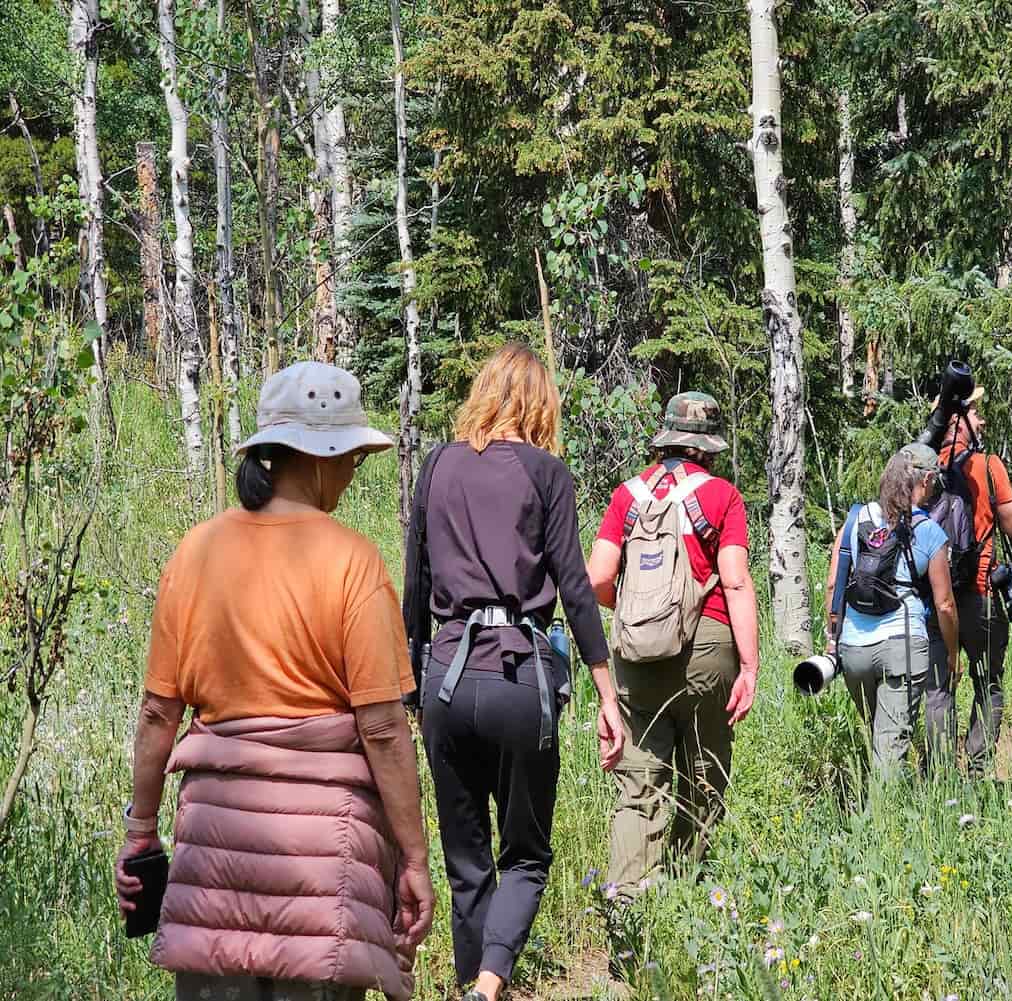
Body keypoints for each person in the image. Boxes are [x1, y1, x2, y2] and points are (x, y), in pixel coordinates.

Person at [114, 362, 435, 1001]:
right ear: (317, 459)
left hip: (215, 857)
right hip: (324, 868)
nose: (352, 473)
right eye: (350, 459)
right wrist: (415, 858)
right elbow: (381, 728)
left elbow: (157, 714)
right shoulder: (354, 562)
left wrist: (141, 831)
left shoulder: (195, 552)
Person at [403, 343, 624, 1001]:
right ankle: (490, 984)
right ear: (539, 406)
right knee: (525, 853)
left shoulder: (437, 465)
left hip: (446, 674)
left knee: (466, 859)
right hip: (519, 675)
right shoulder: (546, 472)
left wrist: (410, 687)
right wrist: (606, 694)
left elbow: (415, 583)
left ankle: (475, 983)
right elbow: (576, 589)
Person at [588, 392, 759, 901]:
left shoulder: (628, 495)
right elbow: (735, 581)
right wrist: (750, 666)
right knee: (703, 776)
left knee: (639, 787)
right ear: (707, 447)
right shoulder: (722, 496)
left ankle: (625, 905)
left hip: (638, 656)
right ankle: (682, 893)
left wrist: (639, 616)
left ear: (665, 438)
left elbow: (597, 579)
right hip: (708, 649)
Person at [823, 443, 959, 778]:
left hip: (853, 649)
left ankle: (876, 799)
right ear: (926, 480)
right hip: (903, 647)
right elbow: (944, 604)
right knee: (889, 748)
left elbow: (833, 584)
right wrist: (953, 653)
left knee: (879, 735)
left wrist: (833, 638)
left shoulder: (856, 518)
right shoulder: (929, 531)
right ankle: (882, 811)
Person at [925, 388, 1012, 776]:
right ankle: (977, 768)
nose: (981, 421)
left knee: (939, 686)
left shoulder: (924, 466)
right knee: (988, 682)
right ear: (958, 420)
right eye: (976, 413)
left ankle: (939, 774)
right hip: (981, 593)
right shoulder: (987, 465)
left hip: (936, 597)